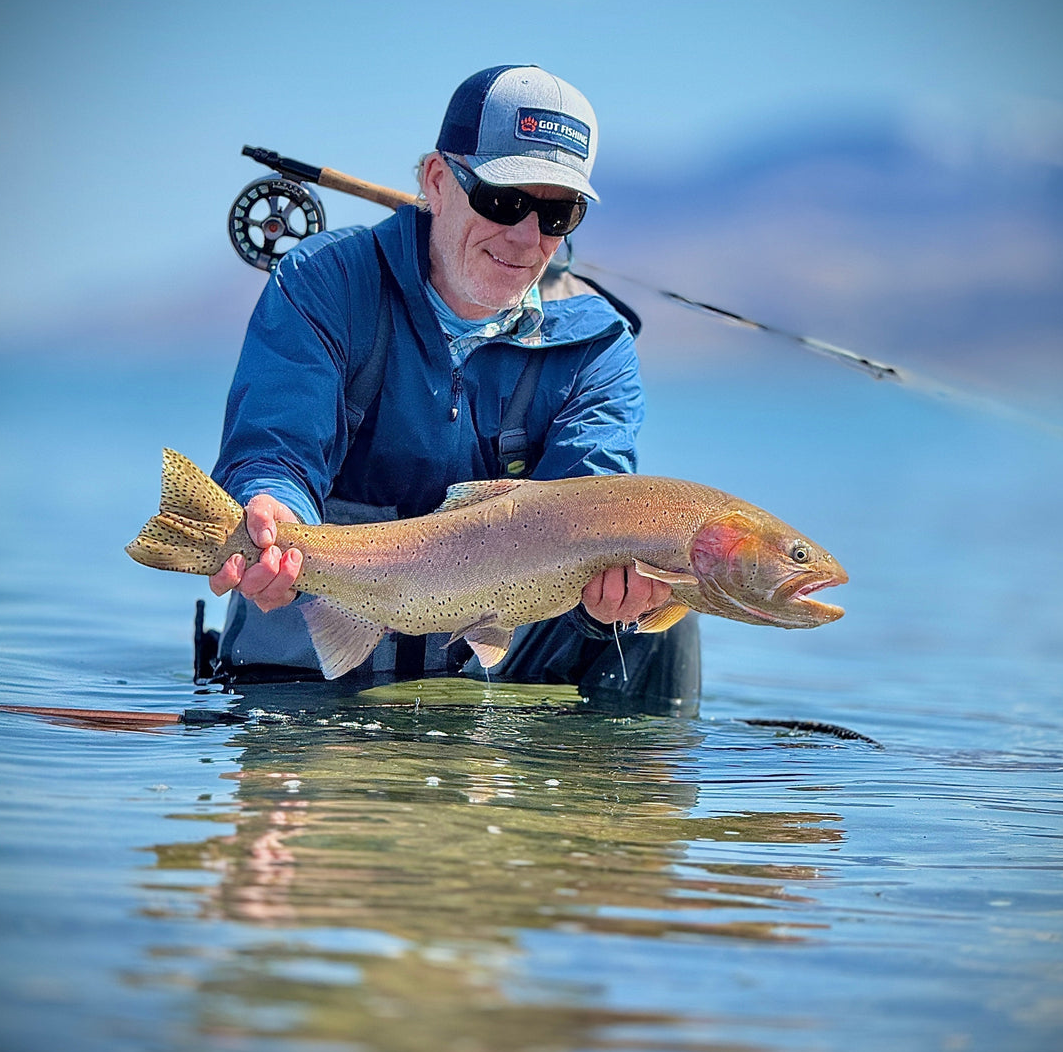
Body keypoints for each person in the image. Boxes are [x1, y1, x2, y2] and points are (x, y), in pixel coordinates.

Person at [204, 64, 700, 714]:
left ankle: (611, 813)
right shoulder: (324, 283)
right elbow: (273, 450)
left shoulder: (597, 345)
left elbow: (591, 502)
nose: (527, 236)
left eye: (557, 212)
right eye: (502, 199)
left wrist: (611, 604)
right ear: (437, 180)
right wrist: (270, 510)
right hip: (300, 673)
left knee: (671, 613)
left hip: (484, 691)